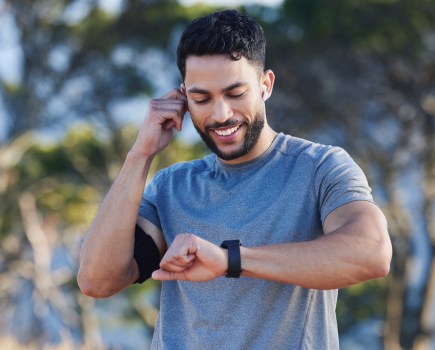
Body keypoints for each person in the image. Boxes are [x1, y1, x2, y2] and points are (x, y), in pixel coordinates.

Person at [77, 9, 392, 350]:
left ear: (265, 85)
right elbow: (98, 280)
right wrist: (140, 155)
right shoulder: (172, 186)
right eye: (201, 99)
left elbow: (372, 253)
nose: (220, 114)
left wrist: (231, 261)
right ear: (183, 97)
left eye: (235, 93)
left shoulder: (320, 168)